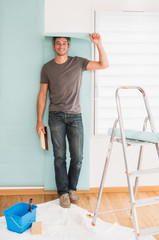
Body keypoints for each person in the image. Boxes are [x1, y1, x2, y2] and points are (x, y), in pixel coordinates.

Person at [36, 33, 109, 208]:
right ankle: (63, 193)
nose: (61, 46)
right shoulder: (47, 68)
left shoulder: (78, 62)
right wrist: (39, 120)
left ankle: (72, 189)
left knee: (77, 156)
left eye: (64, 43)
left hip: (75, 115)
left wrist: (98, 43)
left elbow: (104, 64)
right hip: (55, 116)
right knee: (59, 156)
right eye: (58, 43)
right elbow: (42, 95)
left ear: (68, 46)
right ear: (54, 46)